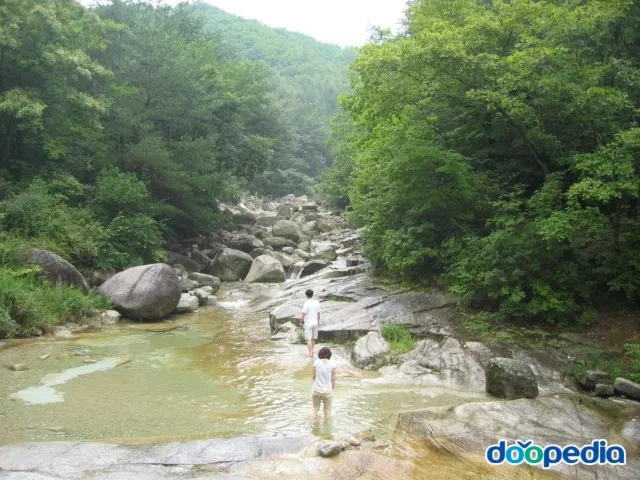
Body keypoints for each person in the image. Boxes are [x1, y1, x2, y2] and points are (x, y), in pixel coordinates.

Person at [311, 346, 336, 423]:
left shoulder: (316, 362)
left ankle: (311, 424)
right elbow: (333, 378)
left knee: (315, 408)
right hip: (327, 390)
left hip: (316, 389)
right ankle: (326, 429)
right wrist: (333, 388)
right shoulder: (333, 364)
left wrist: (316, 383)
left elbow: (314, 376)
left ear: (320, 354)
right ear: (329, 355)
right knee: (327, 411)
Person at [301, 289, 320, 357]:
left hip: (308, 323)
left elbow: (303, 314)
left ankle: (310, 352)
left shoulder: (306, 303)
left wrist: (301, 321)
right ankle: (312, 350)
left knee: (308, 339)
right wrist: (318, 321)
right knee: (313, 338)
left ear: (306, 295)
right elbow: (318, 313)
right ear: (312, 294)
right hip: (315, 322)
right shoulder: (317, 302)